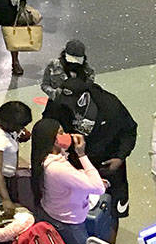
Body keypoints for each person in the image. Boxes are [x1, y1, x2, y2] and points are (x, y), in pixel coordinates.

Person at [31, 117, 107, 244]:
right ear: (54, 139)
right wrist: (82, 154)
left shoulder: (45, 160)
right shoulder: (58, 168)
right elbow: (98, 188)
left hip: (52, 212)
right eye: (61, 132)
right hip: (69, 225)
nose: (67, 136)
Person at [43, 73, 136, 225]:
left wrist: (120, 157)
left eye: (72, 102)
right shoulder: (57, 104)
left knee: (112, 210)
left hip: (107, 163)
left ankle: (109, 242)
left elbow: (129, 131)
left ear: (84, 97)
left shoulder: (110, 106)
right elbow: (47, 127)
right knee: (78, 205)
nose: (68, 106)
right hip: (76, 161)